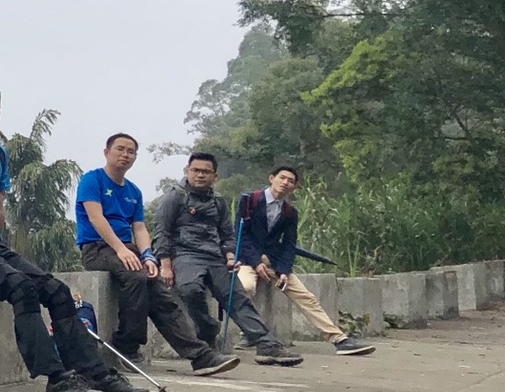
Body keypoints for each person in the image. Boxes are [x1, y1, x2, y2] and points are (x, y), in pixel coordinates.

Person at [0, 82, 148, 392]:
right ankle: (56, 378)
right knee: (22, 287)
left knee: (57, 290)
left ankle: (94, 372)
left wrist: (4, 252)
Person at [74, 134, 238, 377]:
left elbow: (139, 228)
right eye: (120, 149)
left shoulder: (133, 191)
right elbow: (96, 218)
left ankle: (200, 356)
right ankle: (127, 345)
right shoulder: (92, 180)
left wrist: (148, 255)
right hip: (97, 247)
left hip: (128, 249)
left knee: (161, 292)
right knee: (137, 276)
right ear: (106, 152)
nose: (125, 154)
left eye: (131, 151)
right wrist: (120, 249)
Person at [149, 153, 301, 366]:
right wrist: (165, 263)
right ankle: (208, 329)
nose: (200, 175)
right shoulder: (175, 197)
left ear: (215, 176)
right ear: (187, 171)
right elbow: (161, 230)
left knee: (237, 298)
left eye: (206, 172)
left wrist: (230, 256)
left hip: (215, 256)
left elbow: (227, 234)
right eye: (196, 170)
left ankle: (268, 345)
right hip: (185, 255)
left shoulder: (218, 201)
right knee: (190, 289)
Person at [236, 167, 375, 356]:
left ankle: (339, 339)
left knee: (306, 297)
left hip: (274, 262)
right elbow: (240, 234)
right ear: (271, 178)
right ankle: (248, 332)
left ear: (294, 187)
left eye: (290, 181)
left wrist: (284, 270)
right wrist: (255, 262)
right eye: (282, 178)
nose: (285, 182)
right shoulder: (249, 200)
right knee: (246, 286)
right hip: (246, 259)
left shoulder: (289, 212)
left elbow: (289, 244)